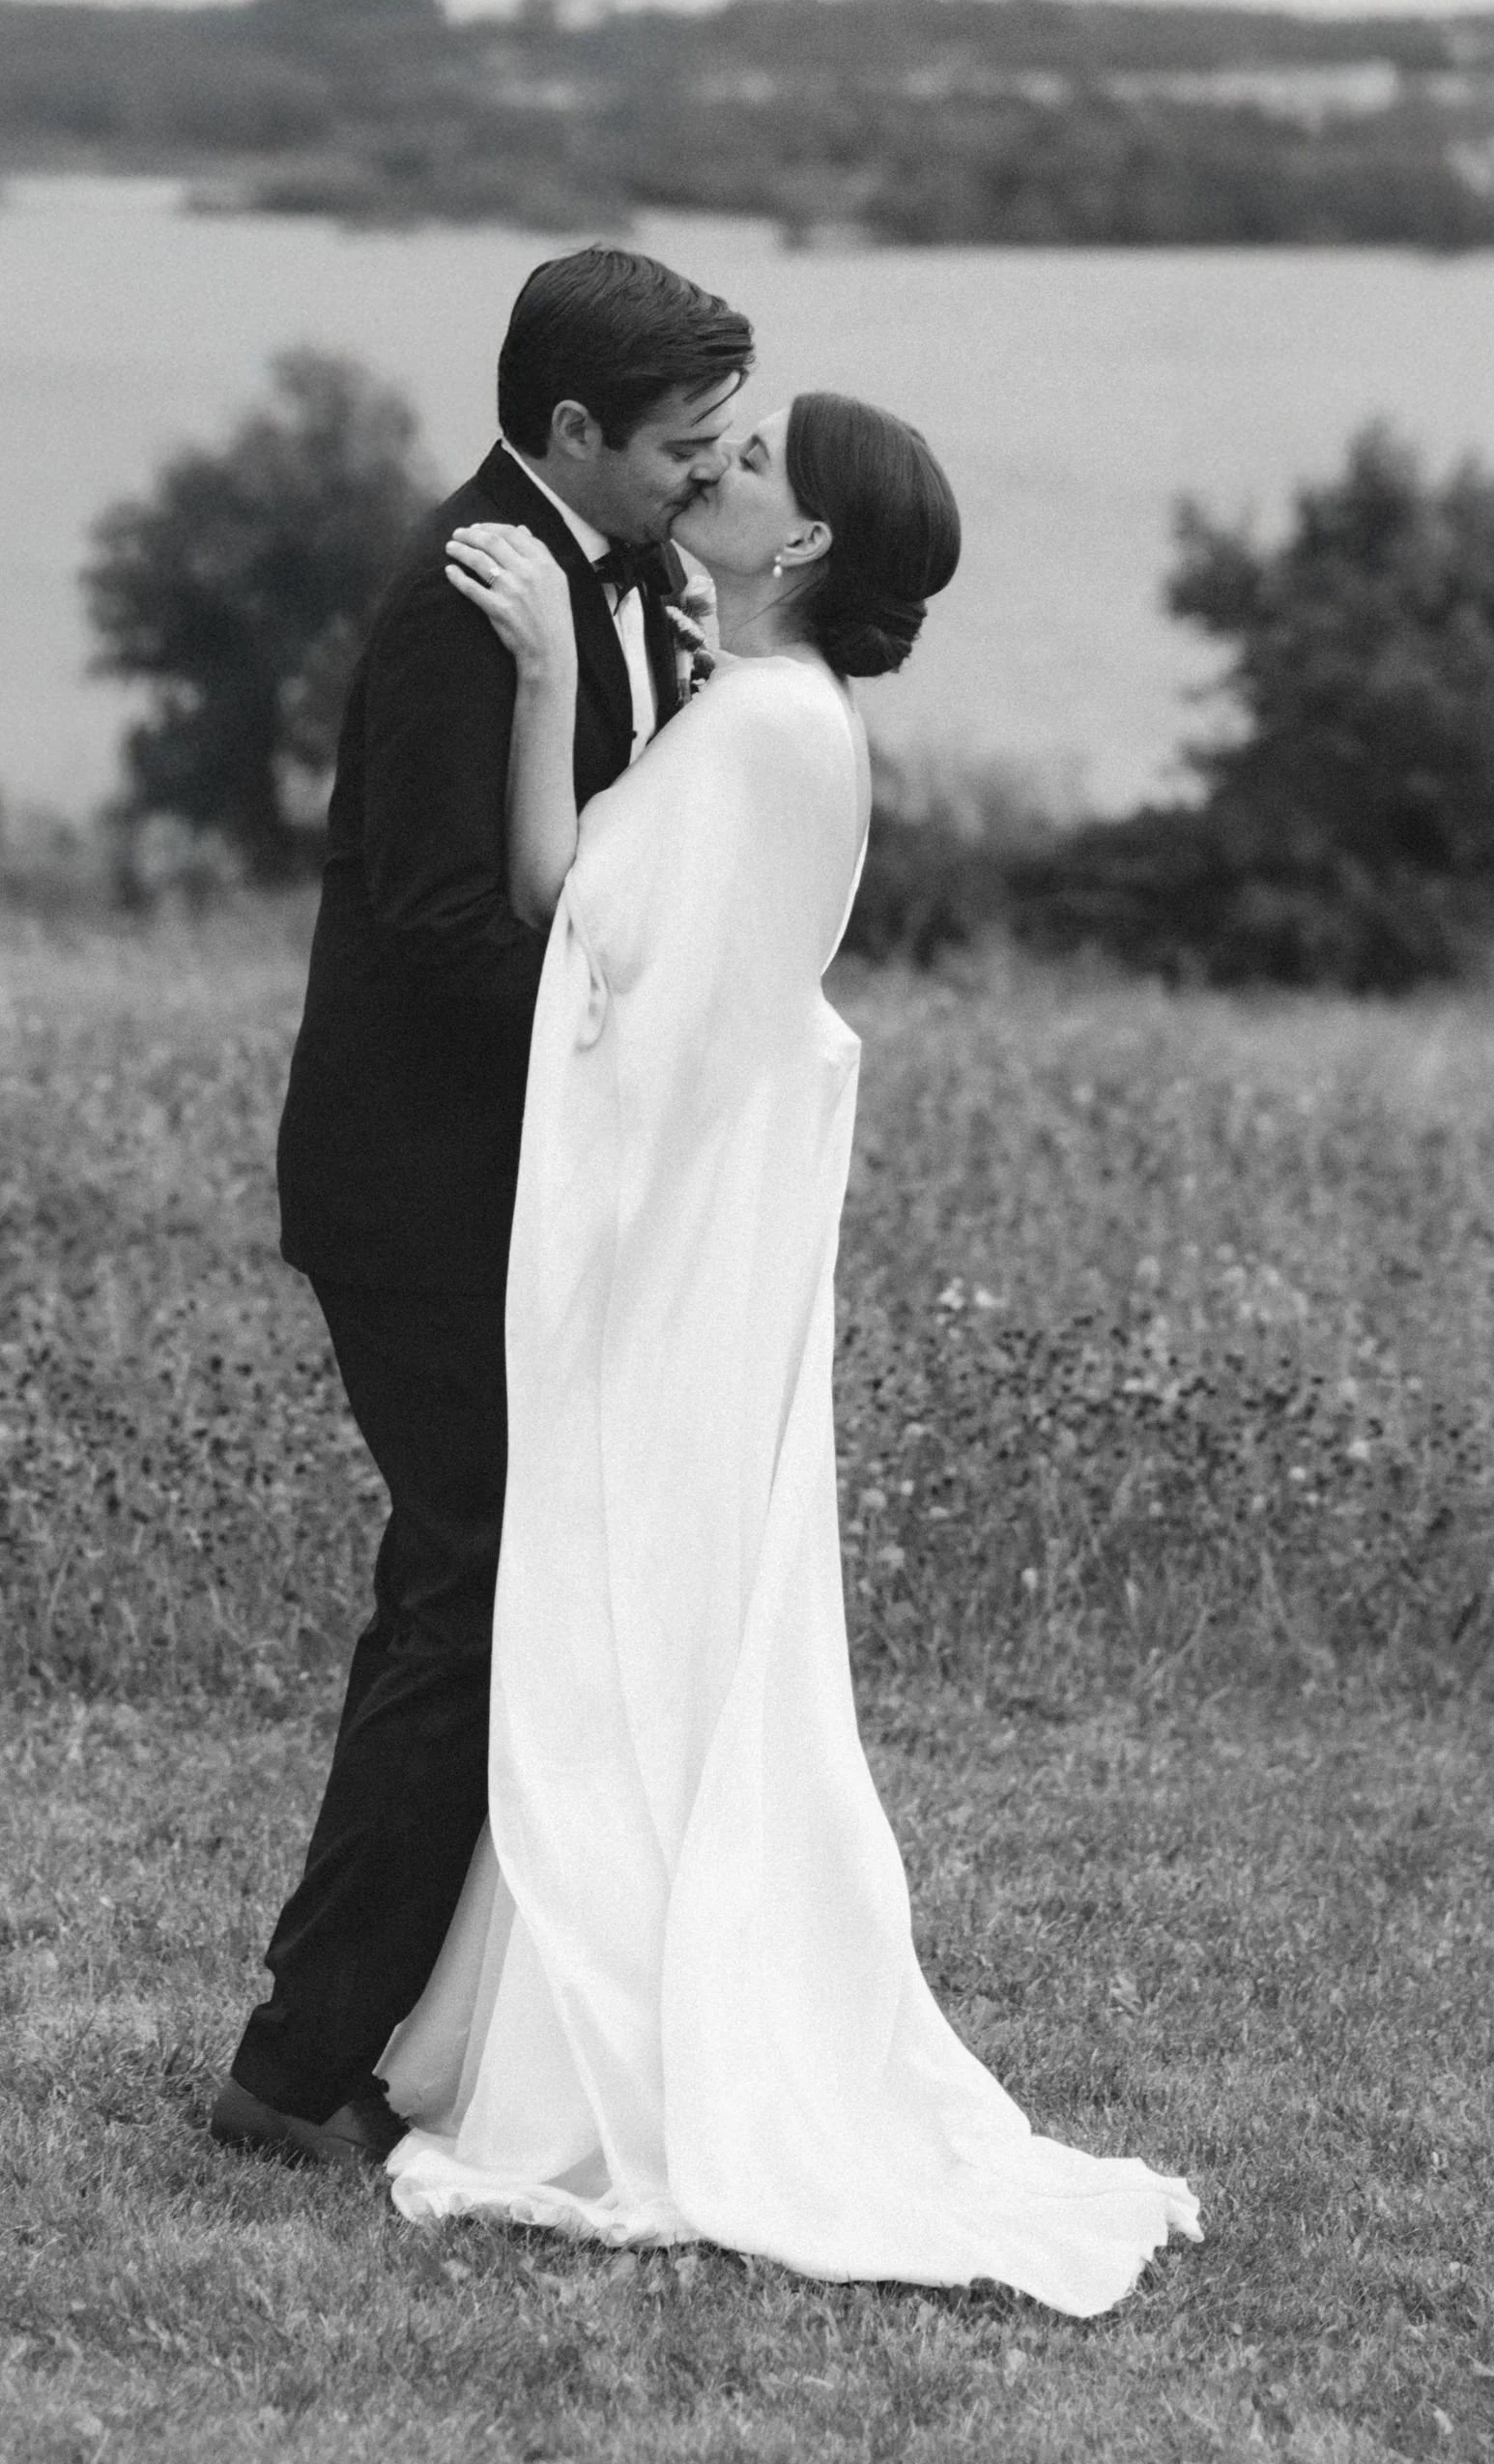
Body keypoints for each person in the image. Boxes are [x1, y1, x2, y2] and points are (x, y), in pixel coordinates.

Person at [379, 393, 1202, 2312]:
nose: (707, 474)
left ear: (802, 546)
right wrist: (584, 676)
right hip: (721, 1250)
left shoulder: (761, 725)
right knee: (660, 1628)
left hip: (672, 1263)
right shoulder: (780, 715)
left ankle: (628, 2051)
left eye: (745, 470)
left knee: (627, 1630)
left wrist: (528, 671)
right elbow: (632, 902)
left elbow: (562, 912)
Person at [211, 247, 753, 2171]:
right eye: (679, 449)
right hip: (420, 1198)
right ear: (572, 430)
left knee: (477, 1596)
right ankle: (297, 2068)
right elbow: (445, 927)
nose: (705, 477)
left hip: (519, 1198)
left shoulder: (623, 585)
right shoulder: (466, 601)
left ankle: (398, 2032)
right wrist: (641, 1053)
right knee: (467, 1591)